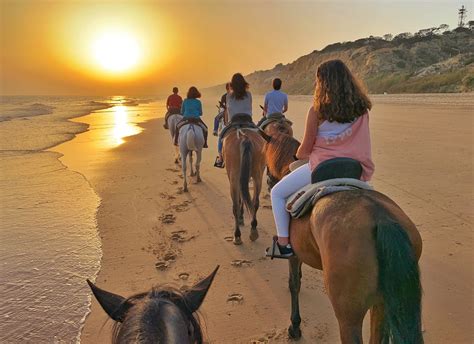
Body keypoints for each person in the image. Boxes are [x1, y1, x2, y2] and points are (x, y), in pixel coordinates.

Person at [267, 59, 375, 258]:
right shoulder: (362, 109)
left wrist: (300, 154)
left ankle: (284, 245)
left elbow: (305, 150)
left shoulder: (317, 111)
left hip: (324, 168)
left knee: (277, 193)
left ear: (323, 83)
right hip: (355, 169)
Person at [214, 73, 252, 168]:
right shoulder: (249, 94)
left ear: (232, 85)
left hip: (233, 122)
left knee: (221, 136)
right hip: (248, 121)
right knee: (261, 136)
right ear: (244, 83)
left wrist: (227, 123)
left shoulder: (228, 96)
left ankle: (220, 158)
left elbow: (228, 111)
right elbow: (249, 108)